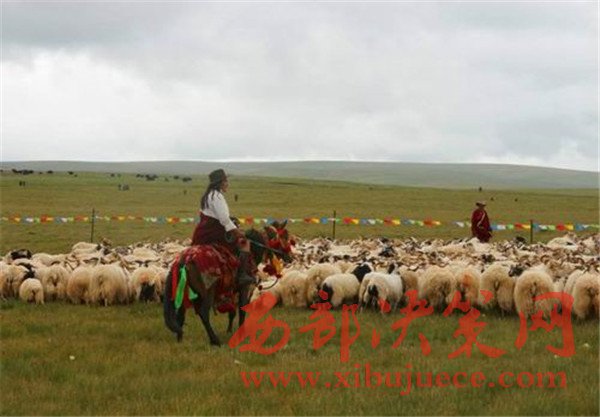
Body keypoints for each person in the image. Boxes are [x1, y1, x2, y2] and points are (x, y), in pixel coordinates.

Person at [191, 169, 254, 286]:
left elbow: (215, 216)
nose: (227, 184)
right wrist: (237, 232)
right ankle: (242, 275)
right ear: (220, 183)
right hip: (214, 234)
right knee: (245, 243)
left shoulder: (208, 195)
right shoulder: (217, 196)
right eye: (225, 181)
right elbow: (224, 219)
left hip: (201, 234)